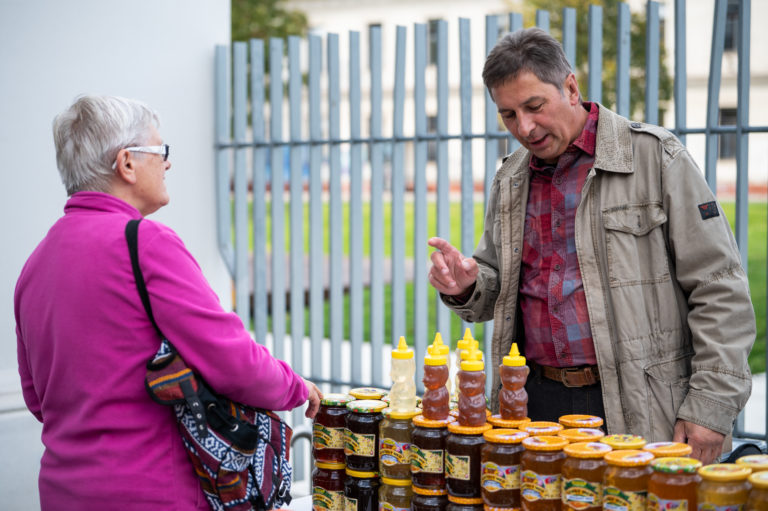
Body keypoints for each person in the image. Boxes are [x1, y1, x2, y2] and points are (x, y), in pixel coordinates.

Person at [428, 28, 754, 464]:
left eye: (534, 106)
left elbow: (720, 290)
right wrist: (466, 286)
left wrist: (711, 409)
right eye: (508, 115)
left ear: (570, 87)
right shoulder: (509, 178)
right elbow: (497, 288)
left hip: (635, 410)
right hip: (534, 407)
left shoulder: (656, 158)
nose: (523, 127)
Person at [14, 94, 322, 510]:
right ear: (126, 163)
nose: (168, 164)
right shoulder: (144, 243)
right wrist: (295, 386)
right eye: (161, 152)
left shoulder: (36, 263)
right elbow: (234, 362)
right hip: (151, 492)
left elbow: (37, 401)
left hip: (62, 493)